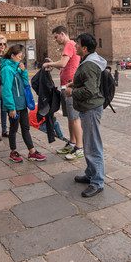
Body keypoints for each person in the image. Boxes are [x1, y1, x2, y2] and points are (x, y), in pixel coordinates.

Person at [67, 33, 107, 198]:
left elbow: (90, 90)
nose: (75, 46)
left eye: (77, 44)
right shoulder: (89, 60)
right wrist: (75, 83)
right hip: (88, 108)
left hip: (91, 109)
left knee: (92, 146)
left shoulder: (89, 64)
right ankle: (91, 174)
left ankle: (97, 182)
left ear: (84, 48)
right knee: (90, 144)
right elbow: (89, 83)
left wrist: (72, 91)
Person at [42, 26, 84, 161]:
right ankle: (72, 142)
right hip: (65, 86)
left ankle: (79, 147)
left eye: (56, 37)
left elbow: (63, 63)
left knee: (75, 118)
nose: (55, 40)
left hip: (70, 87)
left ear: (62, 34)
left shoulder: (69, 45)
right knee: (70, 118)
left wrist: (49, 64)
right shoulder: (71, 45)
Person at [2, 44, 47, 163]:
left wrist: (23, 72)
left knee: (26, 128)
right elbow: (6, 90)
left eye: (22, 56)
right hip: (14, 105)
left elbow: (26, 85)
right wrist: (11, 107)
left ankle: (32, 152)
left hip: (22, 103)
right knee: (13, 128)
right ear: (12, 56)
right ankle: (13, 151)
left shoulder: (17, 67)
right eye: (19, 56)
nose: (20, 59)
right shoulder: (7, 69)